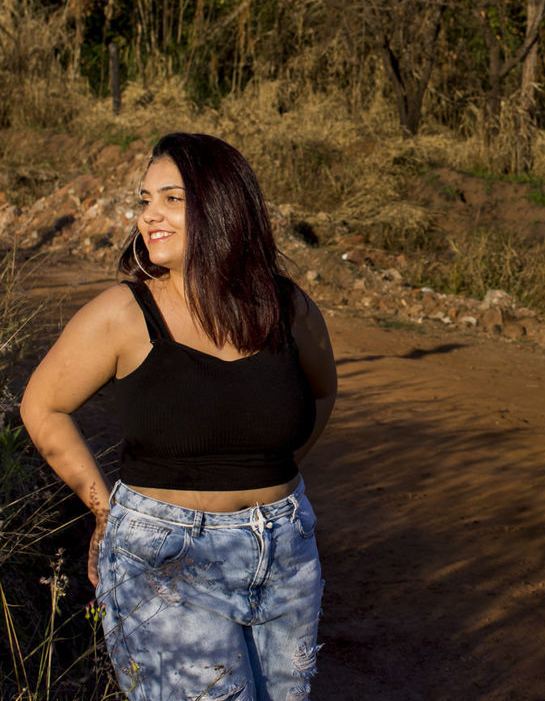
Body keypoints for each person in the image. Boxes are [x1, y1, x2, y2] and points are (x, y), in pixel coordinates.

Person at [20, 132, 337, 700]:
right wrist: (104, 510)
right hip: (166, 560)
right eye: (145, 201)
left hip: (285, 551)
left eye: (172, 199)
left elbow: (321, 394)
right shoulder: (123, 313)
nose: (149, 216)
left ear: (223, 207)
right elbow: (43, 406)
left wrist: (268, 471)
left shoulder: (286, 307)